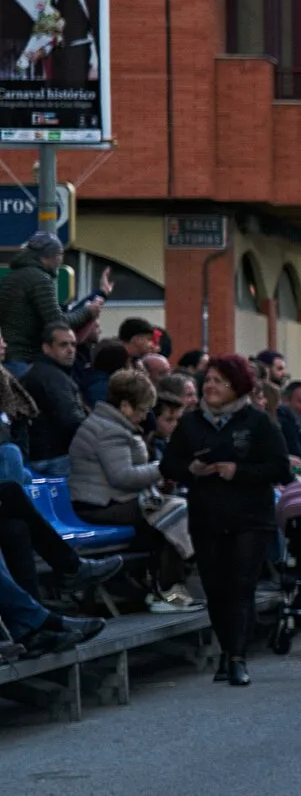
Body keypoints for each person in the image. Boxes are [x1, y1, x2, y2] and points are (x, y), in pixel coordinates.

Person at [162, 355, 291, 687]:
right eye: (208, 380)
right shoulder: (191, 423)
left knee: (241, 586)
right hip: (207, 514)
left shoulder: (257, 421)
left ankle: (237, 657)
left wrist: (239, 472)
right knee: (215, 589)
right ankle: (226, 649)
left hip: (250, 516)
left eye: (220, 381)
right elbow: (169, 464)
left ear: (238, 386)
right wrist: (190, 469)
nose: (211, 386)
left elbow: (280, 468)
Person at [68, 368, 197, 612]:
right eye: (141, 410)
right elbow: (123, 477)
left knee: (172, 514)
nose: (144, 415)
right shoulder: (109, 430)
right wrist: (165, 466)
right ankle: (167, 594)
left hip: (111, 500)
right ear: (125, 405)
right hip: (101, 505)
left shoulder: (109, 424)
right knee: (175, 511)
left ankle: (163, 591)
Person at [0, 232, 100, 370]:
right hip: (23, 359)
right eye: (60, 255)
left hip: (8, 357)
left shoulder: (11, 277)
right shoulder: (40, 280)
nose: (61, 260)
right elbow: (57, 322)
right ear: (49, 256)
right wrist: (88, 312)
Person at [19, 322, 86, 475]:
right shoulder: (52, 377)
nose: (70, 350)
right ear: (46, 348)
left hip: (41, 456)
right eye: (63, 345)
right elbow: (71, 420)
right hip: (56, 458)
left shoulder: (40, 372)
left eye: (73, 345)